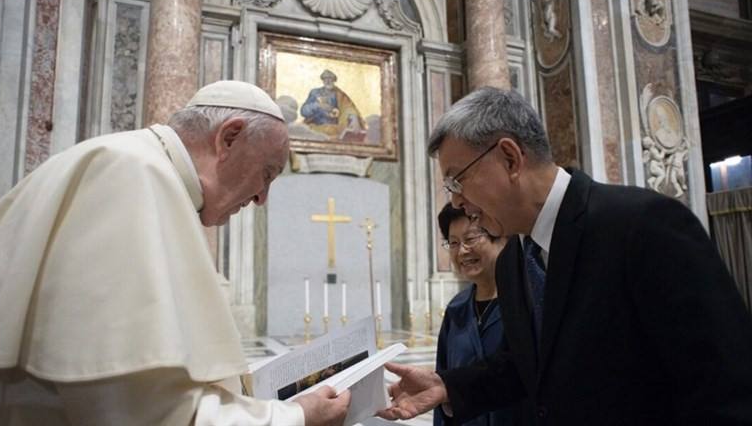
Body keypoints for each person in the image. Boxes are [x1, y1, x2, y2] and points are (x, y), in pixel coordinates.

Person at [0, 80, 350, 425]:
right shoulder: (130, 175)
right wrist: (295, 417)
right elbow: (137, 413)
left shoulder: (138, 165)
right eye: (267, 173)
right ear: (228, 138)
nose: (262, 197)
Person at [379, 86, 752, 425]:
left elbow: (724, 388)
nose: (457, 201)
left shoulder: (642, 226)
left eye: (457, 180)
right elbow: (527, 365)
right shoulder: (513, 260)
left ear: (510, 158)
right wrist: (448, 386)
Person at [435, 203, 523, 426]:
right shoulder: (456, 309)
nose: (462, 250)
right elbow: (441, 384)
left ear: (500, 236)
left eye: (471, 238)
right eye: (453, 243)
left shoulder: (525, 301)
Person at [300, 69, 363, 138]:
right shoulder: (315, 92)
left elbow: (348, 107)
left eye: (330, 78)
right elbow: (303, 111)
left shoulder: (339, 94)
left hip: (335, 129)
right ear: (323, 80)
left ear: (334, 80)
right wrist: (318, 105)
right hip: (316, 128)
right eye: (325, 79)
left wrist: (353, 118)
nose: (328, 81)